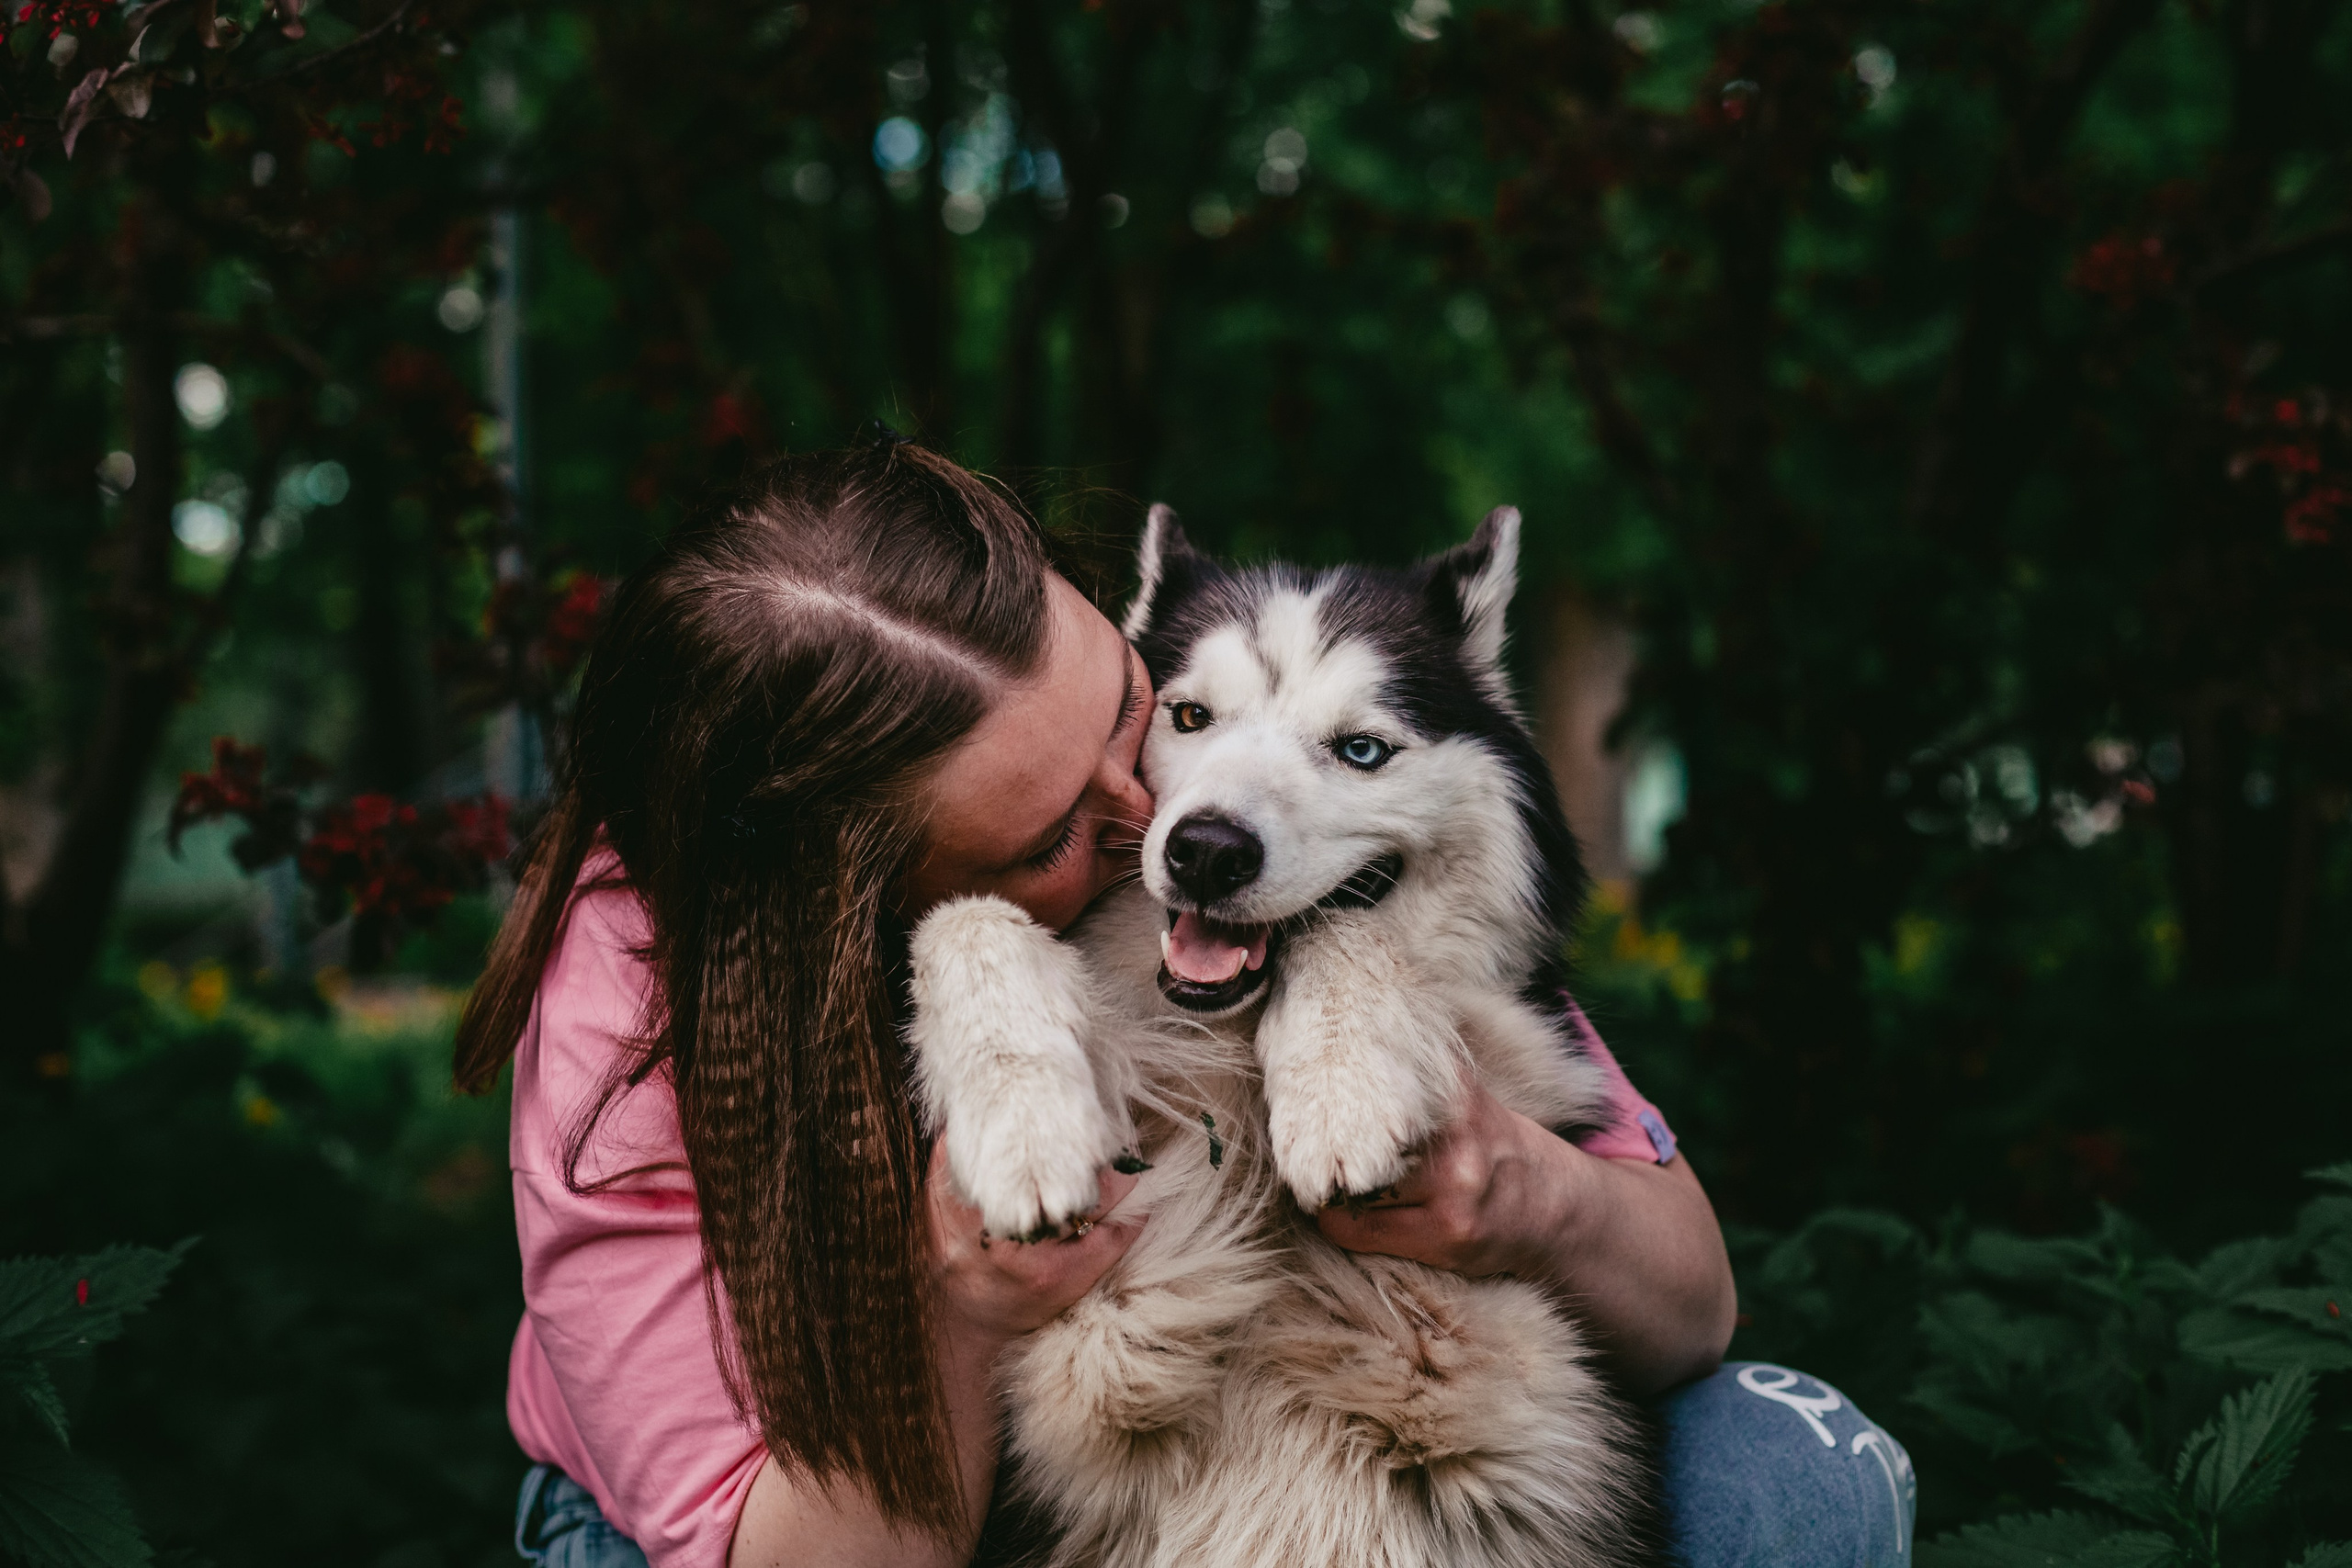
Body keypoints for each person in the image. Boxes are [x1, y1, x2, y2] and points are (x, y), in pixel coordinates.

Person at [454, 440, 1915, 1568]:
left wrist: (1524, 1186)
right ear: (857, 894)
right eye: (1042, 841)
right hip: (794, 1525)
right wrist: (961, 1306)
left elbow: (1692, 1307)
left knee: (1783, 1467)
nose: (1170, 822)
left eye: (1130, 718)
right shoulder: (628, 1018)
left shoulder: (1308, 857)